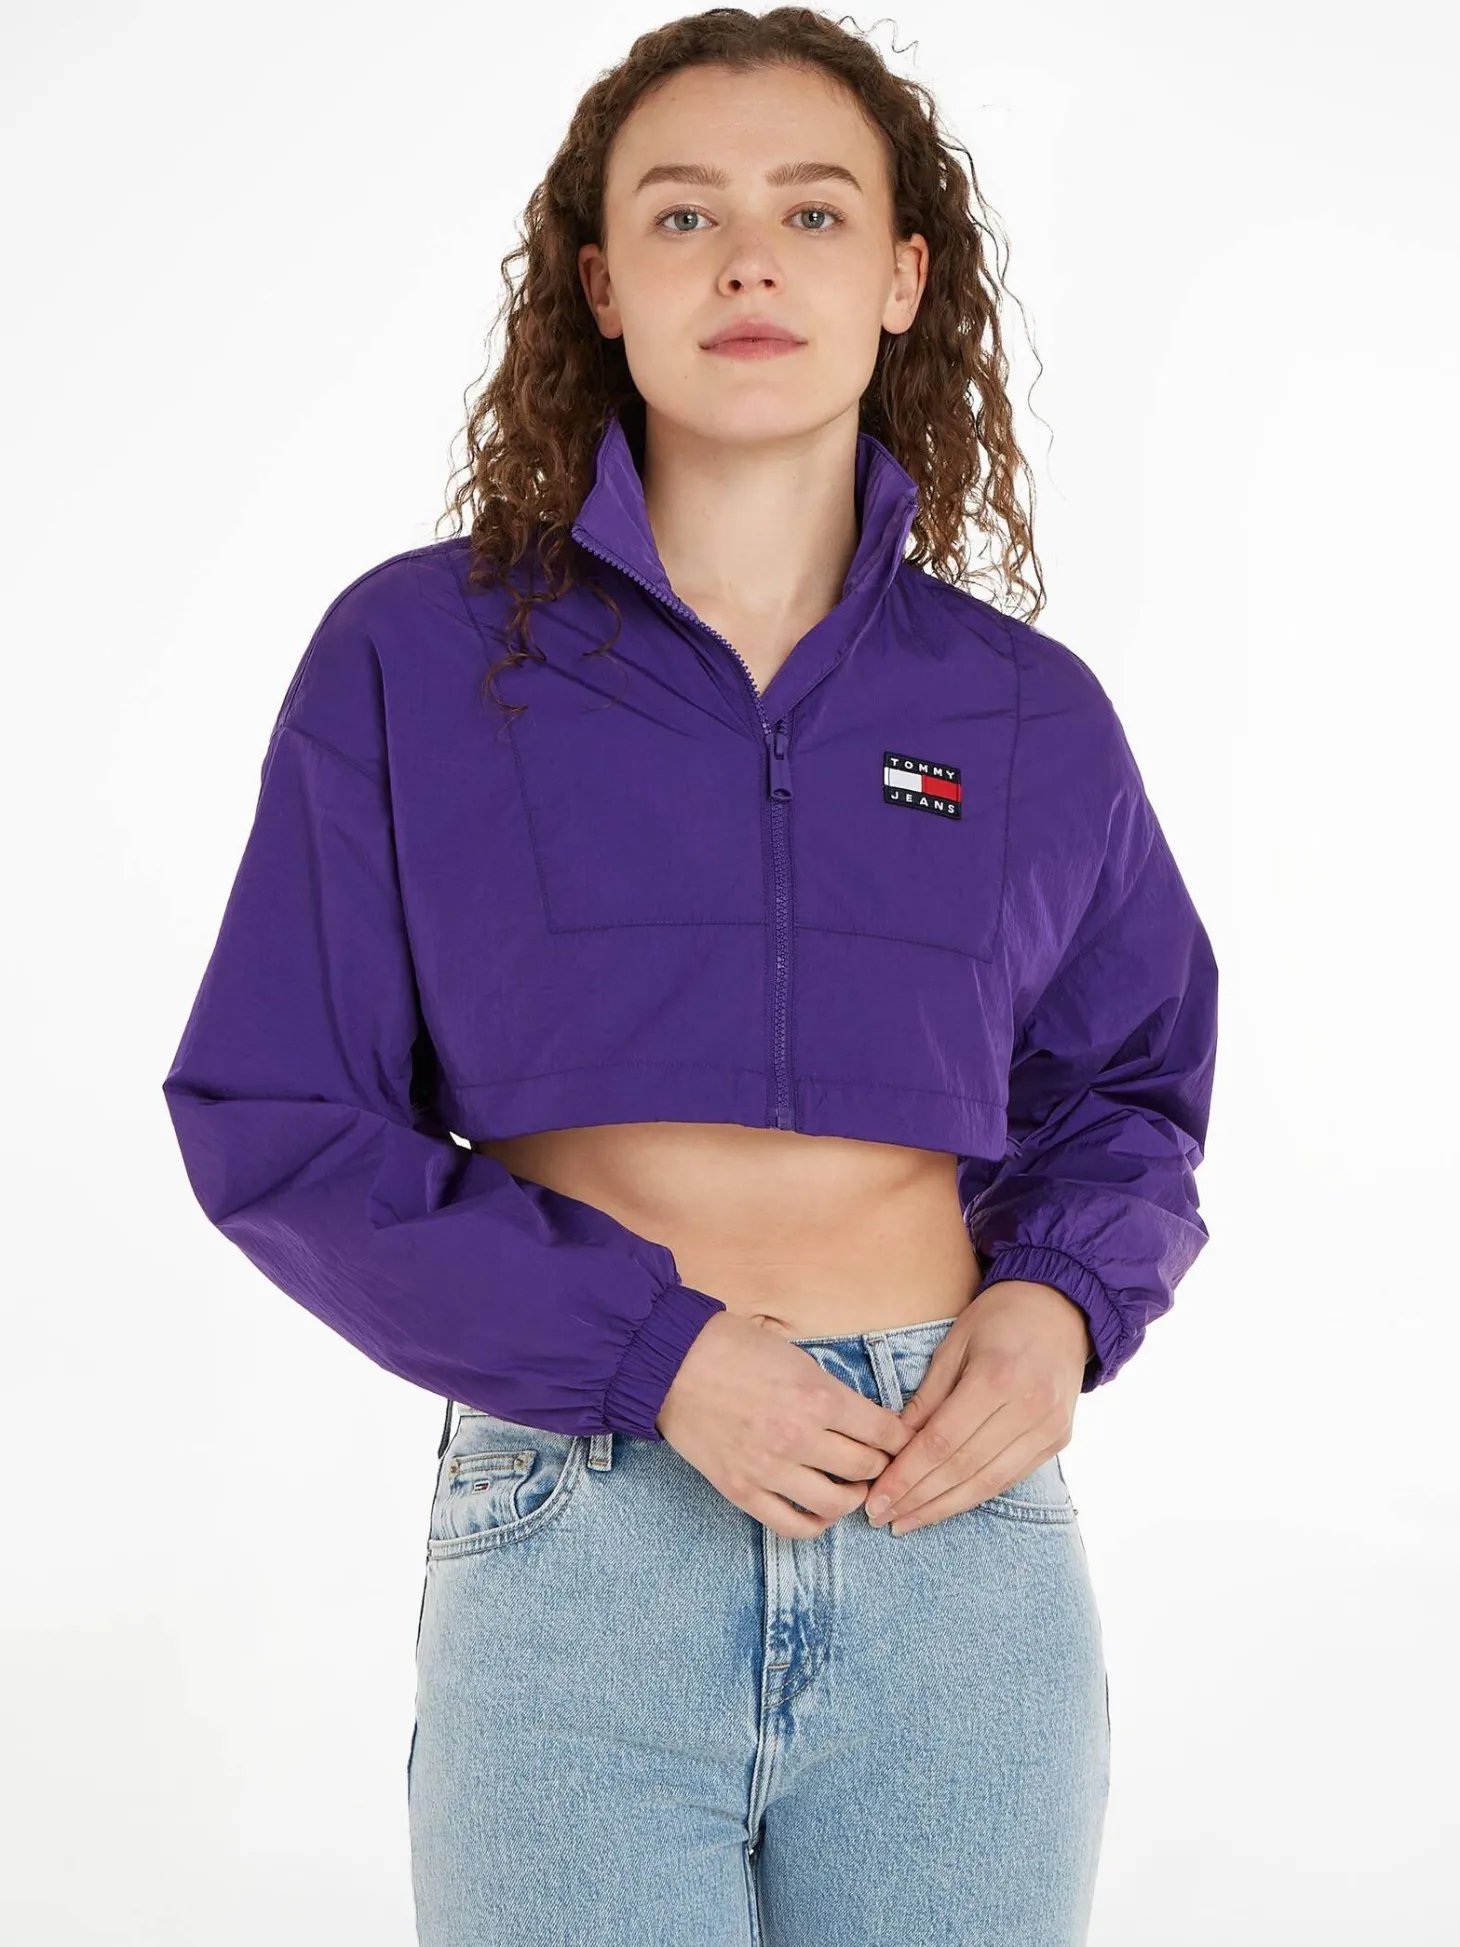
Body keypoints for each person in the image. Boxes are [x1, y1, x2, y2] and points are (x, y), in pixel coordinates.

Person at [161, 10, 1218, 1944]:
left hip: (948, 1527)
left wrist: (1058, 1309)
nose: (748, 261)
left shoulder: (1024, 714)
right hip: (583, 1521)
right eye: (682, 215)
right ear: (601, 284)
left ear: (902, 278)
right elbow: (282, 1114)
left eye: (813, 213)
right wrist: (656, 1356)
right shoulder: (420, 659)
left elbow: (1129, 1086)